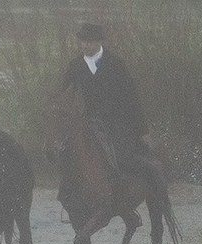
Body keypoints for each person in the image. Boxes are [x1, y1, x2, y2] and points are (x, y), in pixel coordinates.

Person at [58, 22, 163, 196]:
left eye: (89, 41)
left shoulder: (116, 64)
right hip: (89, 121)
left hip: (117, 122)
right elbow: (64, 95)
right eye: (82, 41)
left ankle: (151, 174)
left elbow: (132, 98)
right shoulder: (75, 66)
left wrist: (143, 129)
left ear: (99, 42)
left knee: (123, 158)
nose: (84, 45)